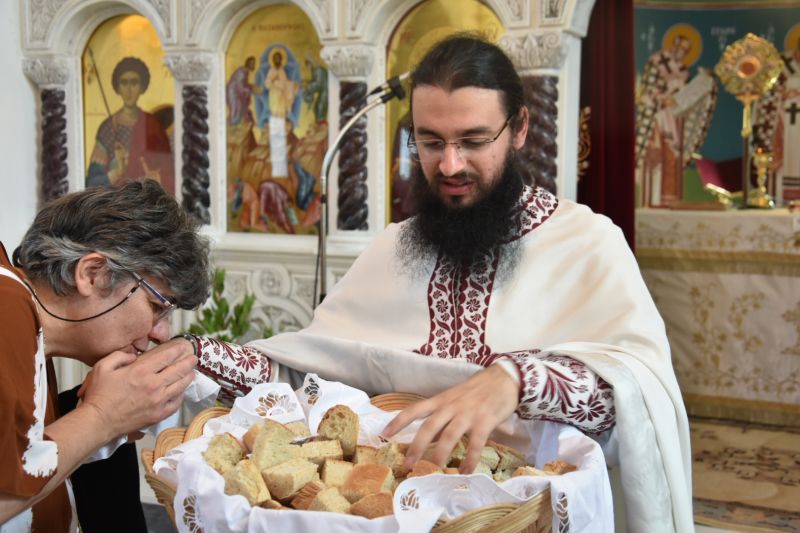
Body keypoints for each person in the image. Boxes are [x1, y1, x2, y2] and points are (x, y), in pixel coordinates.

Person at [186, 35, 692, 531]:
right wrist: (196, 357)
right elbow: (309, 379)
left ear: (518, 129)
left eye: (473, 141)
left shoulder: (587, 242)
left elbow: (639, 399)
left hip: (523, 516)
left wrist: (516, 380)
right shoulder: (391, 247)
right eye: (430, 142)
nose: (449, 165)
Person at [0, 180, 211, 532]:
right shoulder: (6, 309)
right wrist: (103, 417)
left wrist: (113, 418)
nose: (161, 334)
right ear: (93, 274)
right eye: (156, 306)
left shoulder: (28, 325)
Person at [86, 57, 175, 195]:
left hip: (147, 203)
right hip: (115, 205)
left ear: (142, 87)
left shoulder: (153, 125)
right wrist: (117, 171)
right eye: (124, 82)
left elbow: (169, 171)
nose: (129, 90)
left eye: (134, 82)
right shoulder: (107, 129)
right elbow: (91, 183)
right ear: (118, 87)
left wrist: (157, 179)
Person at [226, 56, 258, 126]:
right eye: (252, 63)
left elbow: (243, 84)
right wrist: (252, 89)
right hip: (233, 94)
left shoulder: (244, 71)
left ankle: (237, 124)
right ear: (248, 63)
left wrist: (251, 87)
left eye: (254, 63)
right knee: (236, 109)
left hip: (236, 93)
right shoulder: (242, 72)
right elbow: (240, 87)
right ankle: (233, 126)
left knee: (240, 109)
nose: (253, 65)